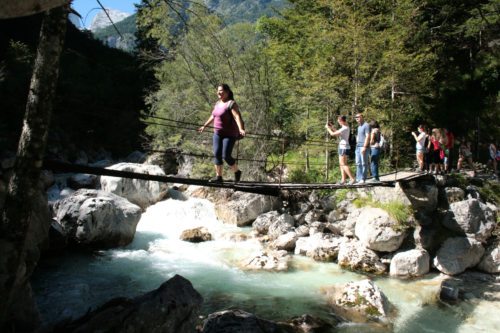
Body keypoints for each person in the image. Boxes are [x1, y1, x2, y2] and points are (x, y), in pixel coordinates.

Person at [198, 84, 245, 182]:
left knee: (226, 156)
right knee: (217, 154)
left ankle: (237, 172)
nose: (219, 92)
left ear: (227, 92)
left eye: (221, 91)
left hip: (229, 134)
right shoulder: (217, 103)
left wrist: (241, 129)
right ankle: (219, 177)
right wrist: (204, 126)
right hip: (217, 133)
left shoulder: (231, 104)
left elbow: (237, 117)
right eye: (218, 90)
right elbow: (213, 116)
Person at [325, 116, 355, 185]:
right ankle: (343, 180)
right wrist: (332, 127)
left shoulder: (344, 128)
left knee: (343, 164)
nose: (338, 122)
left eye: (339, 121)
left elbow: (332, 134)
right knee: (341, 164)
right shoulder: (345, 127)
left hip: (343, 147)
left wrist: (328, 128)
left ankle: (352, 178)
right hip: (343, 147)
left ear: (341, 121)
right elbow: (338, 133)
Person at [354, 112, 371, 183]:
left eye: (358, 117)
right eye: (356, 117)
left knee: (364, 163)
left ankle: (363, 178)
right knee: (358, 163)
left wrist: (364, 146)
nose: (357, 118)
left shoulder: (366, 125)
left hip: (364, 147)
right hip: (358, 147)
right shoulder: (359, 126)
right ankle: (358, 178)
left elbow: (368, 136)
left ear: (362, 117)